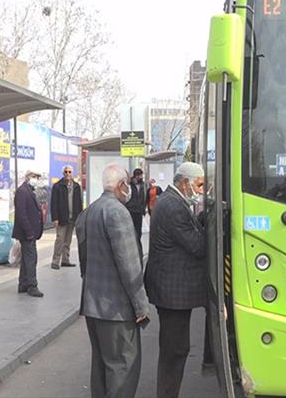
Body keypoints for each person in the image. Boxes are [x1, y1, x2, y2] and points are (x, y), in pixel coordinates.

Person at [74, 163, 149, 398]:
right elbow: (130, 266)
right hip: (116, 309)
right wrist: (141, 305)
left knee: (101, 368)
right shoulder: (117, 212)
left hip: (93, 306)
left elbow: (84, 259)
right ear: (121, 185)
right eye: (126, 184)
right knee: (123, 368)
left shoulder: (90, 211)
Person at [145, 162, 206, 398]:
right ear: (185, 183)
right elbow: (198, 246)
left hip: (170, 290)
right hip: (172, 294)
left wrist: (200, 220)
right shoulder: (174, 207)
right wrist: (210, 224)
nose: (201, 190)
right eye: (199, 185)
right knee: (174, 351)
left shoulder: (173, 201)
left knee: (174, 349)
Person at [12, 170, 44, 297]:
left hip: (30, 232)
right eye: (34, 176)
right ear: (28, 177)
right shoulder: (22, 191)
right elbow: (22, 213)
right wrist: (29, 231)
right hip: (27, 233)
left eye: (37, 177)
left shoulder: (28, 191)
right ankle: (32, 285)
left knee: (26, 259)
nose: (36, 179)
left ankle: (23, 284)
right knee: (31, 259)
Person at [49, 165, 83, 270]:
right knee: (60, 239)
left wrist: (80, 217)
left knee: (68, 240)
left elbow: (79, 203)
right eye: (66, 172)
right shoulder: (57, 186)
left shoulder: (77, 186)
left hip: (73, 218)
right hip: (62, 218)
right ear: (63, 173)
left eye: (69, 172)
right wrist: (55, 218)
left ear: (72, 173)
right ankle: (55, 261)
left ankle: (65, 260)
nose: (68, 174)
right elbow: (53, 203)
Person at [124, 168, 146, 254]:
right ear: (136, 176)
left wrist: (143, 208)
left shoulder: (142, 185)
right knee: (131, 230)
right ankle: (132, 248)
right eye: (140, 175)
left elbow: (143, 197)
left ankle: (138, 248)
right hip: (131, 211)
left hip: (139, 211)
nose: (141, 177)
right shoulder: (130, 184)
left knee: (138, 231)